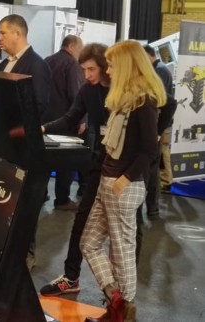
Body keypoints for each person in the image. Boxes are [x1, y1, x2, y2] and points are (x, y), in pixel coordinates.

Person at [80, 40, 166, 322]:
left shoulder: (143, 102)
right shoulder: (125, 100)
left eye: (112, 65)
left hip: (123, 186)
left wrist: (124, 179)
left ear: (127, 65)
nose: (108, 70)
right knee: (89, 243)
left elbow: (149, 150)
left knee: (121, 252)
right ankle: (117, 302)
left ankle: (121, 311)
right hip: (109, 181)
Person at [40, 43, 110, 297]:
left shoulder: (124, 89)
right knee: (81, 221)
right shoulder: (88, 90)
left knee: (125, 233)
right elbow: (71, 117)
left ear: (105, 66)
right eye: (84, 70)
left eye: (91, 69)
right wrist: (43, 128)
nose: (87, 75)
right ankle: (71, 278)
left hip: (124, 172)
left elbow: (165, 104)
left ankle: (123, 293)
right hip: (99, 164)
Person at [0, 13, 55, 270]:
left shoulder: (37, 65)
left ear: (17, 34)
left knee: (25, 203)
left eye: (3, 32)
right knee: (2, 198)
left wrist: (16, 130)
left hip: (24, 147)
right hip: (2, 147)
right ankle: (3, 247)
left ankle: (25, 254)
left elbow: (39, 106)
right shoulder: (3, 65)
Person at [45, 35, 85, 210]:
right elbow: (75, 94)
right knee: (67, 162)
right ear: (71, 46)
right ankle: (62, 199)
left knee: (44, 160)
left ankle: (41, 194)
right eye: (80, 49)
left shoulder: (46, 61)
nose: (80, 53)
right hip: (65, 121)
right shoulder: (72, 65)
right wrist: (81, 119)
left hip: (46, 120)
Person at [143, 44, 175, 194]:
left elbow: (161, 98)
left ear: (148, 55)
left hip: (162, 120)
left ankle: (166, 181)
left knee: (162, 153)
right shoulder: (161, 68)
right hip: (162, 119)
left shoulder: (159, 70)